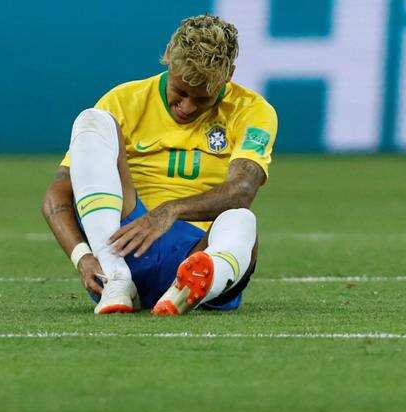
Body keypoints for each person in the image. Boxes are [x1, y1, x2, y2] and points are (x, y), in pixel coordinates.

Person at [41, 13, 277, 316]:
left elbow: (242, 189)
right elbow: (57, 194)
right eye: (180, 93)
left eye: (202, 99)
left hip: (199, 248)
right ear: (168, 58)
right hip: (125, 246)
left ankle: (192, 285)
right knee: (92, 120)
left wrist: (170, 210)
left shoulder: (252, 111)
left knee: (242, 221)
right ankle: (116, 279)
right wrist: (84, 257)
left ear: (229, 74)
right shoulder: (124, 101)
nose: (188, 107)